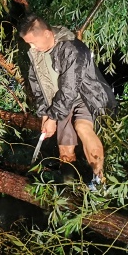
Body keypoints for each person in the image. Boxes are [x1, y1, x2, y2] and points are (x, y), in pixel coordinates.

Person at [19, 13, 116, 188]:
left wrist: (53, 118)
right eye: (29, 43)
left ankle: (99, 181)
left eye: (33, 42)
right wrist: (44, 115)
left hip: (86, 96)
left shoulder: (72, 48)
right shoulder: (36, 54)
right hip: (61, 103)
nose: (32, 47)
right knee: (64, 150)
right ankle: (70, 187)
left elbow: (69, 88)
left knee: (82, 127)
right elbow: (38, 87)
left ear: (47, 34)